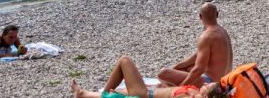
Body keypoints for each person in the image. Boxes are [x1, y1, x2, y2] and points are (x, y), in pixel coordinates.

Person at [158, 4, 233, 88]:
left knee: (163, 73)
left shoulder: (206, 36)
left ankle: (176, 92)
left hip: (211, 84)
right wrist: (176, 67)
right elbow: (196, 56)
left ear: (200, 16)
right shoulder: (223, 32)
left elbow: (199, 69)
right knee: (185, 68)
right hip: (225, 79)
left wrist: (182, 87)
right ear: (217, 14)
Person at [72, 56, 213, 98]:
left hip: (144, 95)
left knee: (125, 61)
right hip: (149, 92)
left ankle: (105, 94)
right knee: (120, 92)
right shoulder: (195, 92)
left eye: (208, 87)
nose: (206, 84)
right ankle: (83, 94)